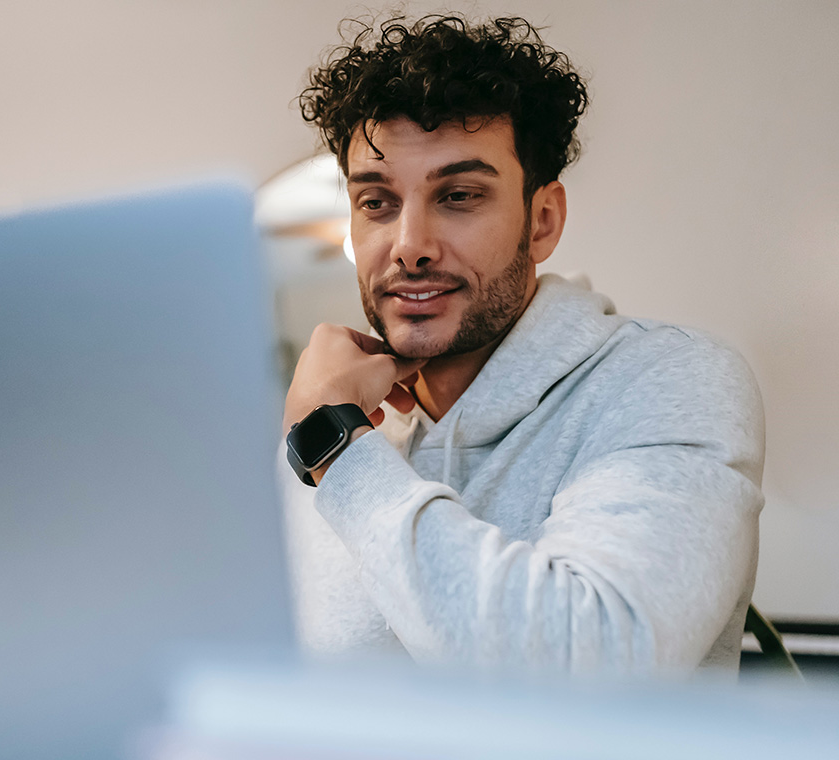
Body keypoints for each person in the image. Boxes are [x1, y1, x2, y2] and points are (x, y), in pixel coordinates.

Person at [280, 15, 764, 675]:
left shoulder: (671, 381)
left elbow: (587, 666)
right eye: (376, 203)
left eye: (458, 196)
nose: (409, 245)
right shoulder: (333, 417)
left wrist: (335, 446)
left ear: (542, 221)